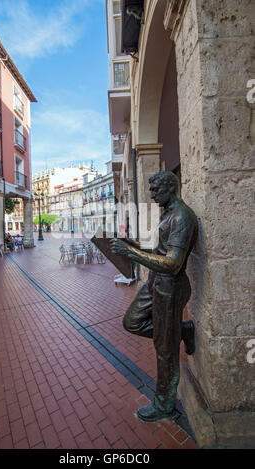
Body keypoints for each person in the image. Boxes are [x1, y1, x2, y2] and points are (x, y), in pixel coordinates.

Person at [110, 171, 198, 422]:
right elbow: (161, 251)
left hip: (170, 286)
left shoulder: (182, 216)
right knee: (132, 321)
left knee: (165, 349)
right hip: (155, 282)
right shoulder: (168, 213)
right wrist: (134, 247)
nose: (152, 194)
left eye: (156, 190)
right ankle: (182, 331)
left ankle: (164, 403)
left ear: (171, 188)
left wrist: (132, 253)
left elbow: (172, 264)